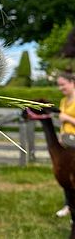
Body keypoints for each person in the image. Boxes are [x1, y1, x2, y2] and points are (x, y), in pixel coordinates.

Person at [55, 72, 75, 217]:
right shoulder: (63, 101)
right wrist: (61, 135)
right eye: (59, 85)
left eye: (63, 84)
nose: (61, 88)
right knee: (65, 176)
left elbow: (65, 119)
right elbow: (62, 123)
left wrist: (66, 117)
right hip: (66, 143)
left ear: (72, 82)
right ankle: (68, 205)